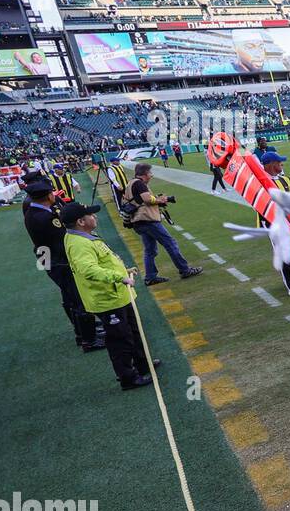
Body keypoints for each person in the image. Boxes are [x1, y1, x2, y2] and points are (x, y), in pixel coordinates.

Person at [62, 201, 159, 391]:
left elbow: (102, 261)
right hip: (108, 299)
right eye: (90, 215)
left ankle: (142, 363)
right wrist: (119, 277)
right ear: (81, 221)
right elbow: (88, 270)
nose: (95, 216)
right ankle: (127, 377)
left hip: (117, 295)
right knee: (120, 340)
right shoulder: (80, 243)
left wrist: (123, 270)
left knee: (133, 330)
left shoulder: (84, 237)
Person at [23, 178, 105, 352]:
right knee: (78, 297)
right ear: (48, 195)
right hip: (58, 260)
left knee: (69, 296)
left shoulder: (35, 211)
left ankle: (83, 332)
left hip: (47, 257)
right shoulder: (44, 216)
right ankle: (89, 339)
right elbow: (62, 239)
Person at [127, 164, 203, 286]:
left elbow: (139, 200)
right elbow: (147, 200)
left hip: (138, 221)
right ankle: (185, 270)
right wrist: (160, 200)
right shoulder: (139, 183)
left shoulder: (131, 183)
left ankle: (150, 277)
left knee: (150, 250)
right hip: (148, 220)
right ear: (144, 174)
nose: (151, 175)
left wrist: (157, 199)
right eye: (150, 173)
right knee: (170, 243)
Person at [258, 152, 290, 296]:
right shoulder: (260, 183)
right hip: (274, 223)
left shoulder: (286, 179)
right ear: (271, 164)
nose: (282, 164)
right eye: (279, 162)